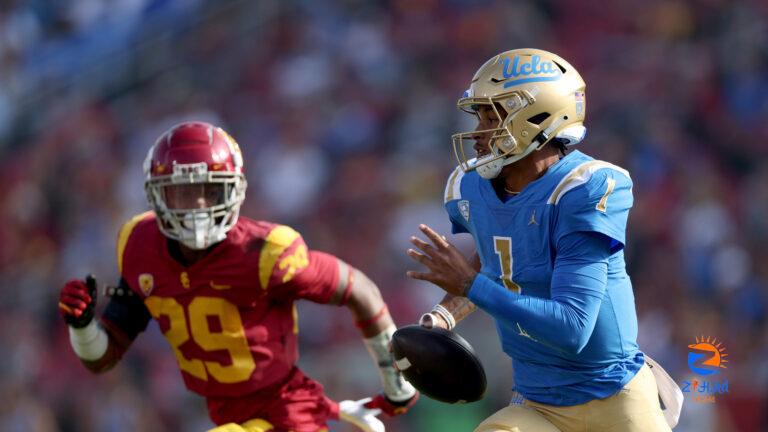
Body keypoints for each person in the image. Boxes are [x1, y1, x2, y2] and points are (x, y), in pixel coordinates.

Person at [58, 121, 418, 432]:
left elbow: (360, 289)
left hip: (285, 413)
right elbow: (104, 356)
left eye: (210, 191)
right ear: (158, 195)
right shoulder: (139, 245)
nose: (198, 206)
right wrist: (82, 326)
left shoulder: (266, 252)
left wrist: (397, 378)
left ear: (234, 189)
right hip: (228, 415)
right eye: (184, 193)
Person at [405, 48, 679, 431]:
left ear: (537, 118)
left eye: (492, 116)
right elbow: (498, 260)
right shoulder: (472, 188)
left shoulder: (583, 188)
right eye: (480, 115)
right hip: (538, 404)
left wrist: (470, 284)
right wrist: (445, 314)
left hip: (614, 398)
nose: (479, 131)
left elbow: (573, 328)